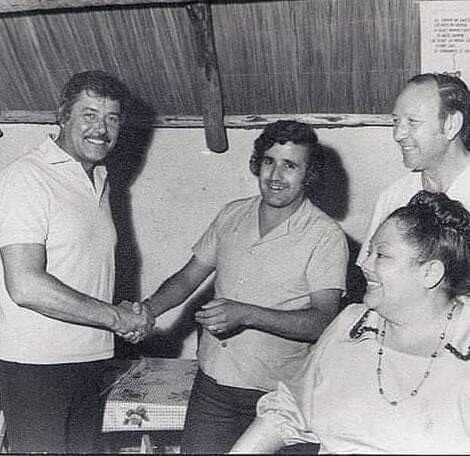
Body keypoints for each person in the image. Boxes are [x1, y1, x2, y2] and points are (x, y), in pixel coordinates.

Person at [140, 120, 349, 453]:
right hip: (212, 387)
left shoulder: (325, 236)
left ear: (309, 175)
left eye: (290, 165)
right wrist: (146, 311)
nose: (275, 175)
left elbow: (322, 322)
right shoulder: (232, 214)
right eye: (269, 161)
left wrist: (246, 314)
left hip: (279, 398)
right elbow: (188, 277)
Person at [231, 190, 470, 454]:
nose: (364, 264)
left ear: (430, 273)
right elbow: (291, 406)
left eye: (381, 255)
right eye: (369, 252)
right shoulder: (352, 325)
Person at [0, 70, 154, 453]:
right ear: (62, 116)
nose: (101, 128)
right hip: (37, 367)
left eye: (112, 118)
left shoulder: (100, 179)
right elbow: (25, 285)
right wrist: (117, 318)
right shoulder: (26, 178)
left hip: (91, 359)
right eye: (89, 114)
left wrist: (117, 315)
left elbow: (82, 273)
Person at [357, 72, 470, 265]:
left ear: (452, 124)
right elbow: (369, 270)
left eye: (412, 122)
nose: (398, 134)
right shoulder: (394, 196)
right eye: (396, 121)